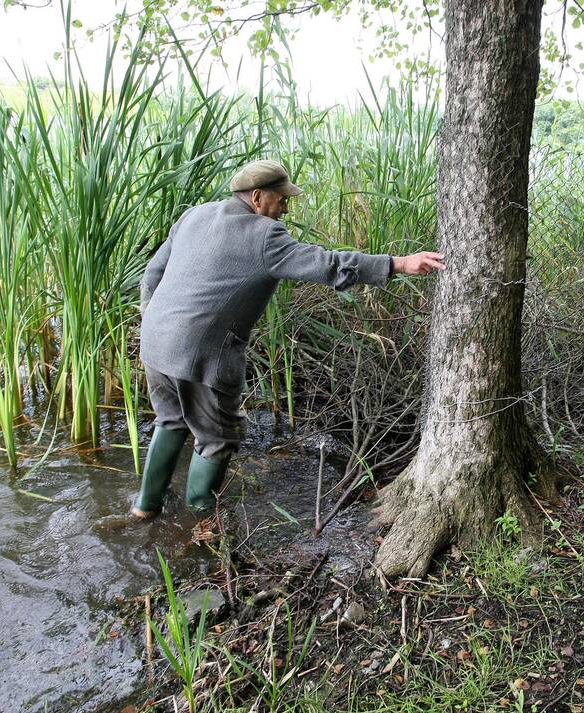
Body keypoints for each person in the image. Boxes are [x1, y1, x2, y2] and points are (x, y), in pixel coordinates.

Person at [129, 159, 445, 519]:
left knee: (171, 421)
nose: (286, 208)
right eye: (282, 199)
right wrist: (398, 263)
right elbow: (327, 264)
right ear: (258, 197)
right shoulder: (265, 235)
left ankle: (144, 509)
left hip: (154, 344)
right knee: (217, 438)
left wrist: (152, 318)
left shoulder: (194, 215)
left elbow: (152, 273)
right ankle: (201, 524)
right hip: (202, 357)